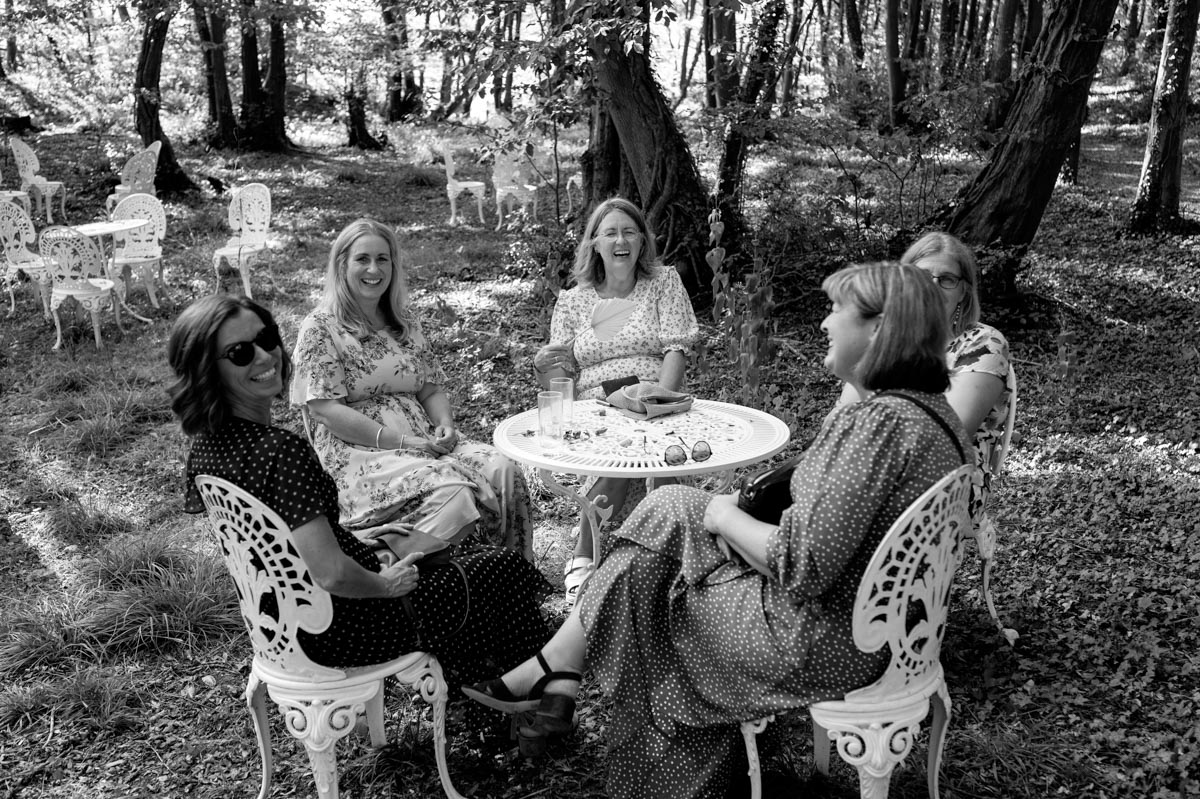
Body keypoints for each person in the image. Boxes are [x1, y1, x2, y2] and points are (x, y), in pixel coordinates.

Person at [466, 262, 970, 797]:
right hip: (883, 628)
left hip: (818, 640)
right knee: (675, 503)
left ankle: (607, 724)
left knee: (646, 587)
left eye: (836, 310)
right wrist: (720, 509)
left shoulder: (877, 423)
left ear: (878, 328)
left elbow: (802, 566)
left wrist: (726, 517)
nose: (824, 324)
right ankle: (559, 667)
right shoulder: (933, 417)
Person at [169, 295, 549, 679]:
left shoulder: (207, 448)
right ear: (207, 369)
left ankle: (484, 684)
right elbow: (331, 574)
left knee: (438, 551)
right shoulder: (280, 452)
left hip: (281, 623)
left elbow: (281, 544)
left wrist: (361, 542)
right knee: (503, 568)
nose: (265, 357)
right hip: (347, 627)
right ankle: (533, 689)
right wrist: (386, 585)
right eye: (239, 353)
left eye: (266, 338)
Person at [291, 218, 533, 556]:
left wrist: (444, 425)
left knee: (503, 470)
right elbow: (325, 411)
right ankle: (395, 571)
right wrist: (404, 442)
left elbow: (430, 389)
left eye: (383, 258)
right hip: (360, 452)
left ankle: (511, 581)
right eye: (363, 259)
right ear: (342, 264)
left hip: (424, 439)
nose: (373, 268)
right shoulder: (320, 327)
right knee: (452, 490)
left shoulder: (405, 323)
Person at [533, 198, 699, 606]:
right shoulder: (573, 301)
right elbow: (560, 377)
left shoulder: (663, 282)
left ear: (642, 241)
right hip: (597, 404)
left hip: (653, 395)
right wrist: (542, 367)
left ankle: (662, 559)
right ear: (594, 244)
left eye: (629, 231)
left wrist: (658, 402)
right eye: (610, 232)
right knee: (622, 449)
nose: (620, 240)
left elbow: (676, 348)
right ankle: (587, 557)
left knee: (652, 448)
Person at [835, 231, 1012, 522]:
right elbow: (844, 417)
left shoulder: (983, 345)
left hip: (947, 486)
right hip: (867, 470)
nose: (932, 288)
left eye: (946, 279)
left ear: (963, 292)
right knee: (764, 494)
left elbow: (946, 438)